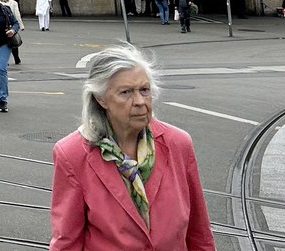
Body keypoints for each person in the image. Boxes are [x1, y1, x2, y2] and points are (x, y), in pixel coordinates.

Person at [48, 44, 215, 250]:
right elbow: (67, 241)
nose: (139, 101)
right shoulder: (72, 154)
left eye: (144, 90)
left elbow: (200, 233)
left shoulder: (178, 144)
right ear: (101, 99)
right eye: (126, 92)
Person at [0, 0, 24, 65]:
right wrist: (20, 25)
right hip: (11, 25)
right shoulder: (13, 3)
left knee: (4, 44)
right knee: (13, 43)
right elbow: (17, 15)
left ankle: (8, 59)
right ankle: (16, 58)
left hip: (2, 26)